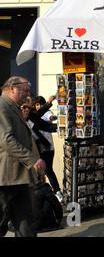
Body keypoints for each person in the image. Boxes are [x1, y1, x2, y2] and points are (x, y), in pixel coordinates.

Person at [0, 77, 46, 237]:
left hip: (19, 176)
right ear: (12, 88)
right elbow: (6, 140)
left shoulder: (13, 107)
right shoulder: (2, 106)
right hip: (6, 177)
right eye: (25, 90)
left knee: (25, 221)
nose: (28, 95)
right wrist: (32, 159)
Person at [33, 96, 63, 202]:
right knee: (43, 172)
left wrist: (53, 118)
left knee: (48, 170)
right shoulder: (33, 116)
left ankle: (57, 192)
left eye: (40, 104)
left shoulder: (45, 113)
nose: (38, 106)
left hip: (47, 148)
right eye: (36, 105)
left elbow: (49, 116)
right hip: (38, 148)